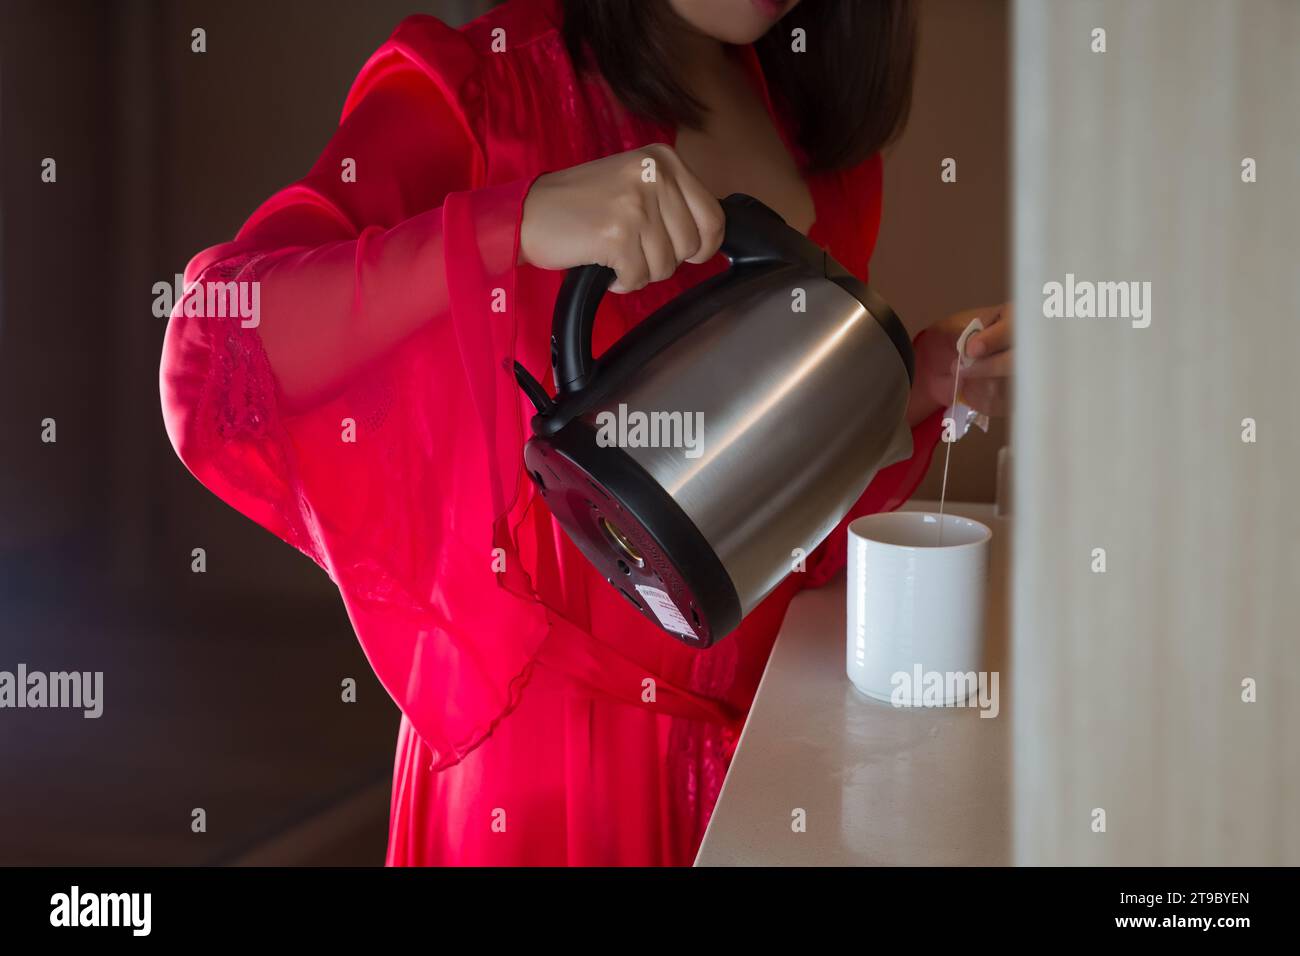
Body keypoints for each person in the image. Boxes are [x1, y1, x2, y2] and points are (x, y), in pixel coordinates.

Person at [159, 0, 1013, 866]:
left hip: (768, 750)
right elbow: (214, 350)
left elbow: (771, 510)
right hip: (545, 786)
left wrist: (922, 379)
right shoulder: (486, 85)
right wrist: (514, 223)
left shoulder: (820, 141)